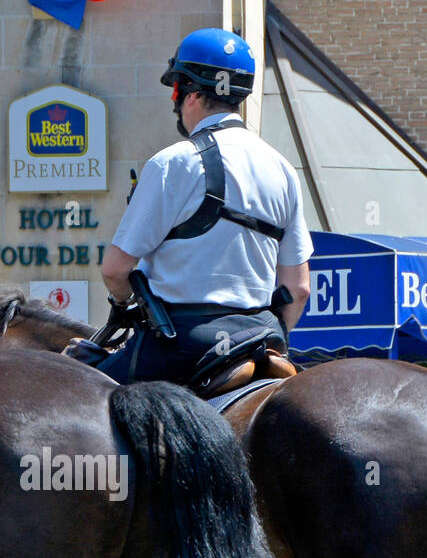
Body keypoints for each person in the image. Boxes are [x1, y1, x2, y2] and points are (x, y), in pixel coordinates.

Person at [87, 27, 313, 386]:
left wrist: (123, 302)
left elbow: (115, 269)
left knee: (86, 392)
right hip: (264, 340)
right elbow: (299, 288)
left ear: (186, 93)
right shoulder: (283, 169)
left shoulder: (173, 162)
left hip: (182, 343)